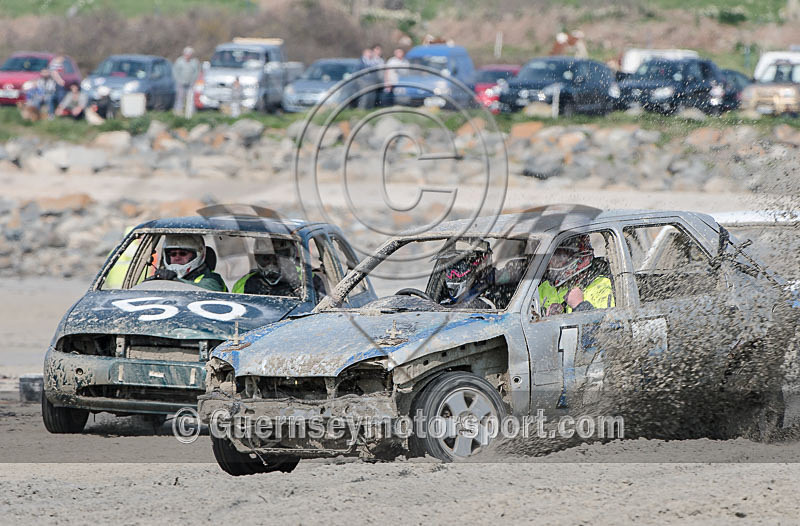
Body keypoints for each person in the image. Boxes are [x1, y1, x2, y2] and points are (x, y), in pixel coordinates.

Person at [538, 235, 614, 316]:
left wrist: (579, 305)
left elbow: (607, 325)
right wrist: (545, 315)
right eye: (551, 257)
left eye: (559, 256)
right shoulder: (544, 288)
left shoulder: (602, 287)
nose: (553, 262)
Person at [149, 234, 227, 292]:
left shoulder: (213, 279)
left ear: (198, 254)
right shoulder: (163, 279)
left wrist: (173, 280)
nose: (177, 258)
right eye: (172, 254)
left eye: (183, 253)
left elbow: (210, 291)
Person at [436, 241, 497, 309]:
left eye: (460, 268)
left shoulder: (486, 302)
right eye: (449, 269)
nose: (453, 275)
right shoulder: (444, 300)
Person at [233, 238, 302, 296]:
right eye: (266, 258)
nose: (271, 264)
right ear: (256, 258)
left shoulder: (307, 279)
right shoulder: (244, 283)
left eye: (278, 258)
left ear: (292, 255)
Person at [173, 46, 200, 118]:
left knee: (191, 97)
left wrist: (193, 81)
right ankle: (178, 112)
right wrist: (179, 80)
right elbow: (175, 72)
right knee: (180, 97)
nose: (188, 55)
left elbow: (196, 72)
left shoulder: (194, 62)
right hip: (181, 83)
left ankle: (191, 112)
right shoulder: (179, 61)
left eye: (190, 54)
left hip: (191, 83)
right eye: (187, 54)